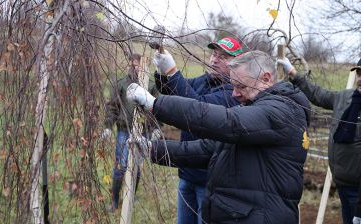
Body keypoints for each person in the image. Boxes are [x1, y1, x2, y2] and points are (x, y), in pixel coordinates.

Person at [126, 50, 311, 223]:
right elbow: (208, 150)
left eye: (241, 86)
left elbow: (229, 121)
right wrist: (153, 149)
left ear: (266, 78)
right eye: (233, 85)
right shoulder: (255, 111)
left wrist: (156, 105)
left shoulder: (282, 111)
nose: (234, 93)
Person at [152, 36, 242, 224]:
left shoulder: (232, 94)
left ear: (236, 63)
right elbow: (175, 91)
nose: (214, 59)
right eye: (214, 54)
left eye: (223, 56)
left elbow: (197, 109)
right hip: (188, 174)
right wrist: (162, 72)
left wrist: (173, 71)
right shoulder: (205, 81)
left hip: (210, 180)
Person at [277, 57, 361, 224]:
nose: (360, 78)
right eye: (359, 73)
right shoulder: (345, 97)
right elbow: (319, 95)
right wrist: (293, 73)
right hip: (343, 183)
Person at [102, 53, 161, 212]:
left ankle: (132, 196)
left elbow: (157, 109)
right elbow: (113, 106)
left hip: (143, 133)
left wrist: (156, 128)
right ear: (130, 65)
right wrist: (108, 126)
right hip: (124, 130)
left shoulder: (150, 86)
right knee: (121, 165)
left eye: (139, 65)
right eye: (133, 65)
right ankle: (115, 201)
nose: (135, 68)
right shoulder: (121, 84)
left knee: (136, 165)